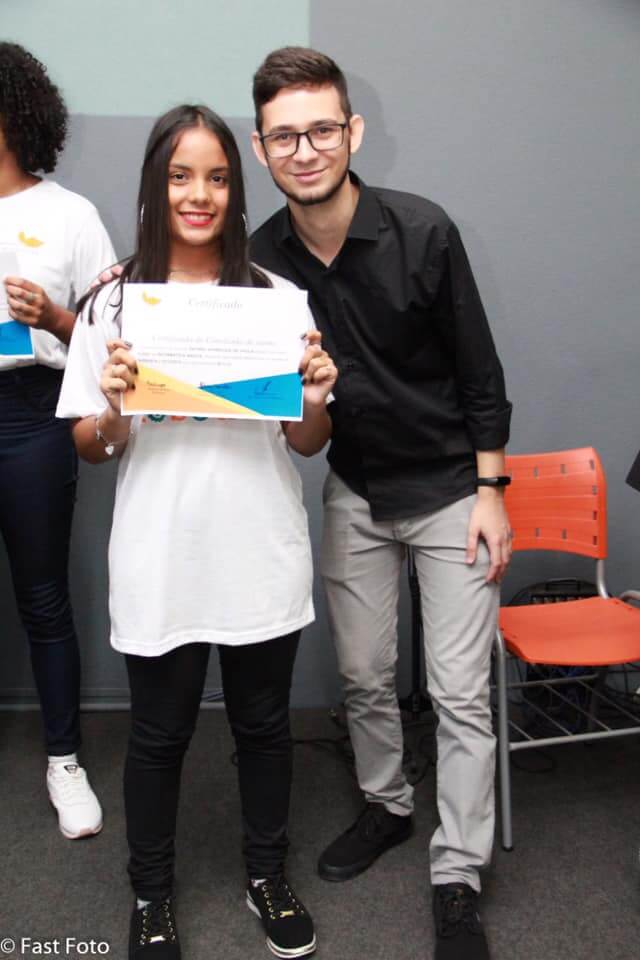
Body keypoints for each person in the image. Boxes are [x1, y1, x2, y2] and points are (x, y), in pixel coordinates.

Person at [249, 47, 512, 960]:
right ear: (262, 149)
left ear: (353, 132)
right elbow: (300, 431)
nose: (305, 150)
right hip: (355, 489)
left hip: (451, 491)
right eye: (285, 136)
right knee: (363, 676)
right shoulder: (261, 262)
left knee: (460, 694)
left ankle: (458, 874)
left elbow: (480, 372)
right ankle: (388, 806)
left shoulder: (424, 231)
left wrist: (491, 491)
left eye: (322, 129)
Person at [57, 103, 337, 960]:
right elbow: (92, 447)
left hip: (258, 550)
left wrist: (315, 397)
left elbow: (306, 441)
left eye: (216, 177)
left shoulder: (277, 300)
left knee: (263, 728)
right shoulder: (113, 302)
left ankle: (266, 875)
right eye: (181, 176)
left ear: (235, 189)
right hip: (162, 553)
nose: (199, 194)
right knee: (158, 735)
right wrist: (113, 406)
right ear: (156, 185)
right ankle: (151, 895)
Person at [0, 42, 114, 839]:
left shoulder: (70, 215)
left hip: (32, 415)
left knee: (43, 597)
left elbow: (113, 344)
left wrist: (55, 318)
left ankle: (64, 760)